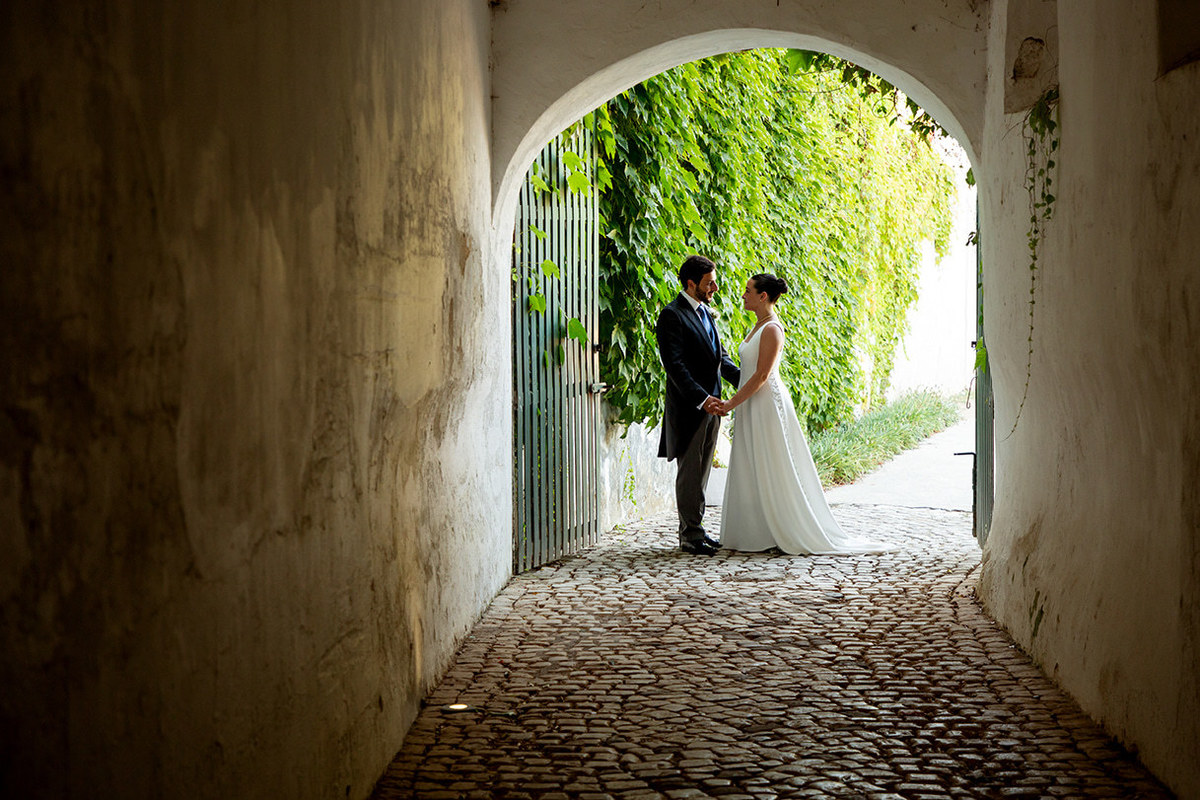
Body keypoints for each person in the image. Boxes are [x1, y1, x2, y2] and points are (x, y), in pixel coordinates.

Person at [717, 273, 890, 555]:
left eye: (748, 291)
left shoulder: (772, 329)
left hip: (766, 404)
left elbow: (762, 375)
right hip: (752, 404)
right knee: (752, 461)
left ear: (763, 296)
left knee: (772, 462)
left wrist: (730, 403)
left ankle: (782, 527)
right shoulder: (757, 326)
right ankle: (756, 531)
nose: (743, 295)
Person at [656, 255, 741, 555]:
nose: (715, 287)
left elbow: (722, 359)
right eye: (708, 283)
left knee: (702, 472)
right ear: (691, 284)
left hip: (714, 407)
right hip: (692, 409)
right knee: (690, 472)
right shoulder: (672, 315)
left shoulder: (706, 312)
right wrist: (703, 400)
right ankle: (689, 535)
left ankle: (698, 530)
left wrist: (747, 382)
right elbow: (675, 366)